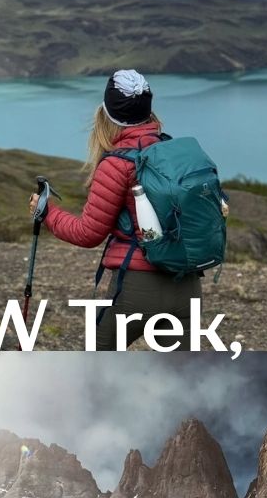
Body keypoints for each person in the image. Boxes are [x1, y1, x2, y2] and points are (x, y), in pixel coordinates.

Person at [31, 69, 202, 350]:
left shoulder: (116, 164)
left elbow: (88, 233)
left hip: (140, 287)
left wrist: (47, 212)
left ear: (106, 115)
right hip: (188, 287)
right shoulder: (171, 151)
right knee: (184, 382)